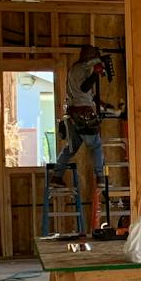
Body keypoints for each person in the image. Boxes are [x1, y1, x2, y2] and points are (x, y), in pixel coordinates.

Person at [46, 44, 114, 192]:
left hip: (73, 115)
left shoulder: (76, 69)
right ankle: (100, 177)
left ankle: (56, 177)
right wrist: (96, 74)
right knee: (95, 145)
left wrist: (106, 106)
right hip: (84, 115)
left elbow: (88, 95)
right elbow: (84, 88)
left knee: (70, 148)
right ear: (90, 57)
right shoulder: (81, 69)